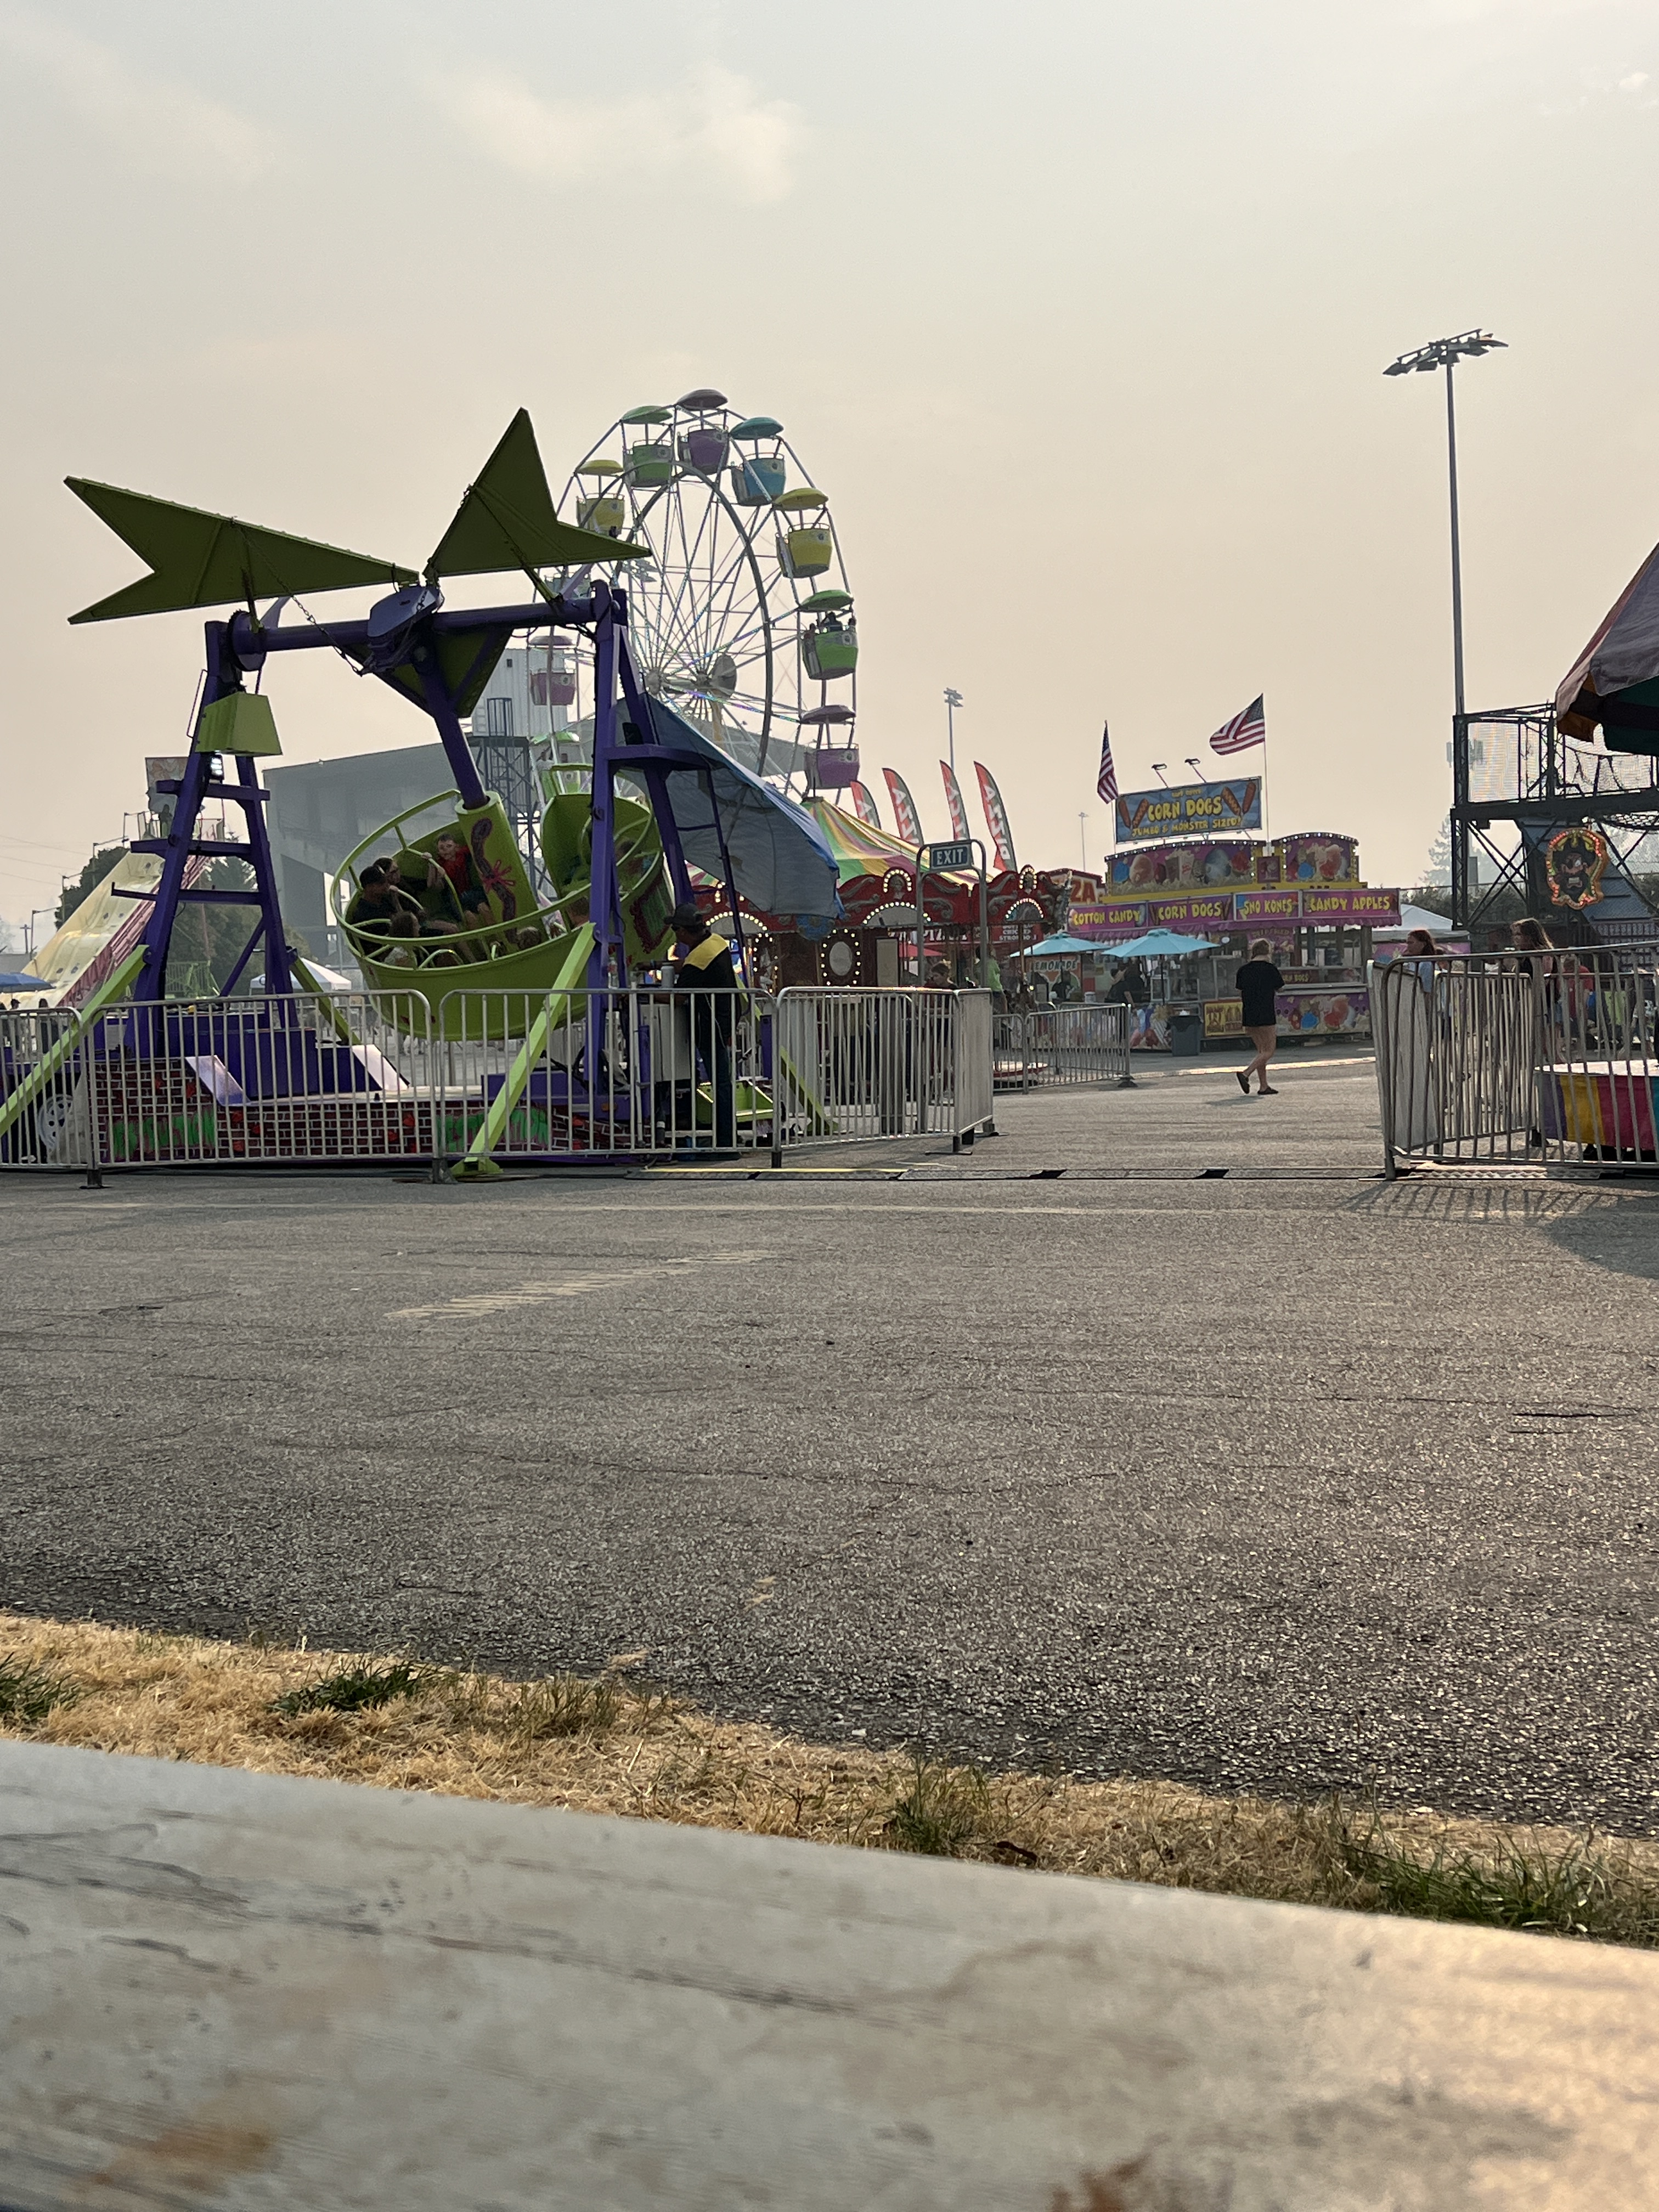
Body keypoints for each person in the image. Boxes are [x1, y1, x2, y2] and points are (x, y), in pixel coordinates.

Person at [669, 899, 738, 1148]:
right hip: (725, 1019)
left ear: (683, 932)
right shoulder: (716, 943)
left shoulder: (698, 958)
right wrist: (657, 966)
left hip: (710, 1026)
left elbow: (678, 998)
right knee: (723, 1082)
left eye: (675, 930)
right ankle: (727, 1136)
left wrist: (639, 995)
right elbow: (688, 967)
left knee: (720, 1083)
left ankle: (725, 1141)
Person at [1233, 936, 1284, 1096]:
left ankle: (1264, 1086)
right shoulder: (1271, 969)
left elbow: (1240, 991)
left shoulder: (1243, 970)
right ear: (1268, 952)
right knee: (1269, 1051)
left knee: (1261, 1051)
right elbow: (1280, 988)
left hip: (1249, 1014)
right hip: (1266, 1013)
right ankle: (1245, 1074)